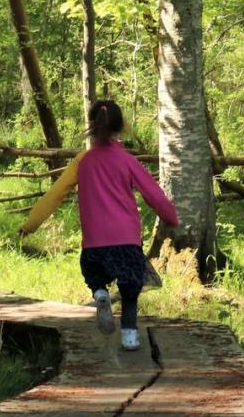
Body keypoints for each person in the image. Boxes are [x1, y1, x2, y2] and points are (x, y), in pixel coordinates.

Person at [18, 100, 178, 351]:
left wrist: (30, 225)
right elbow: (154, 194)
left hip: (95, 243)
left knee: (96, 277)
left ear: (91, 125)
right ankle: (129, 336)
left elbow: (55, 194)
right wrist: (171, 218)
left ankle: (100, 294)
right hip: (126, 240)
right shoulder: (127, 160)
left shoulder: (83, 161)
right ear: (120, 126)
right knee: (129, 289)